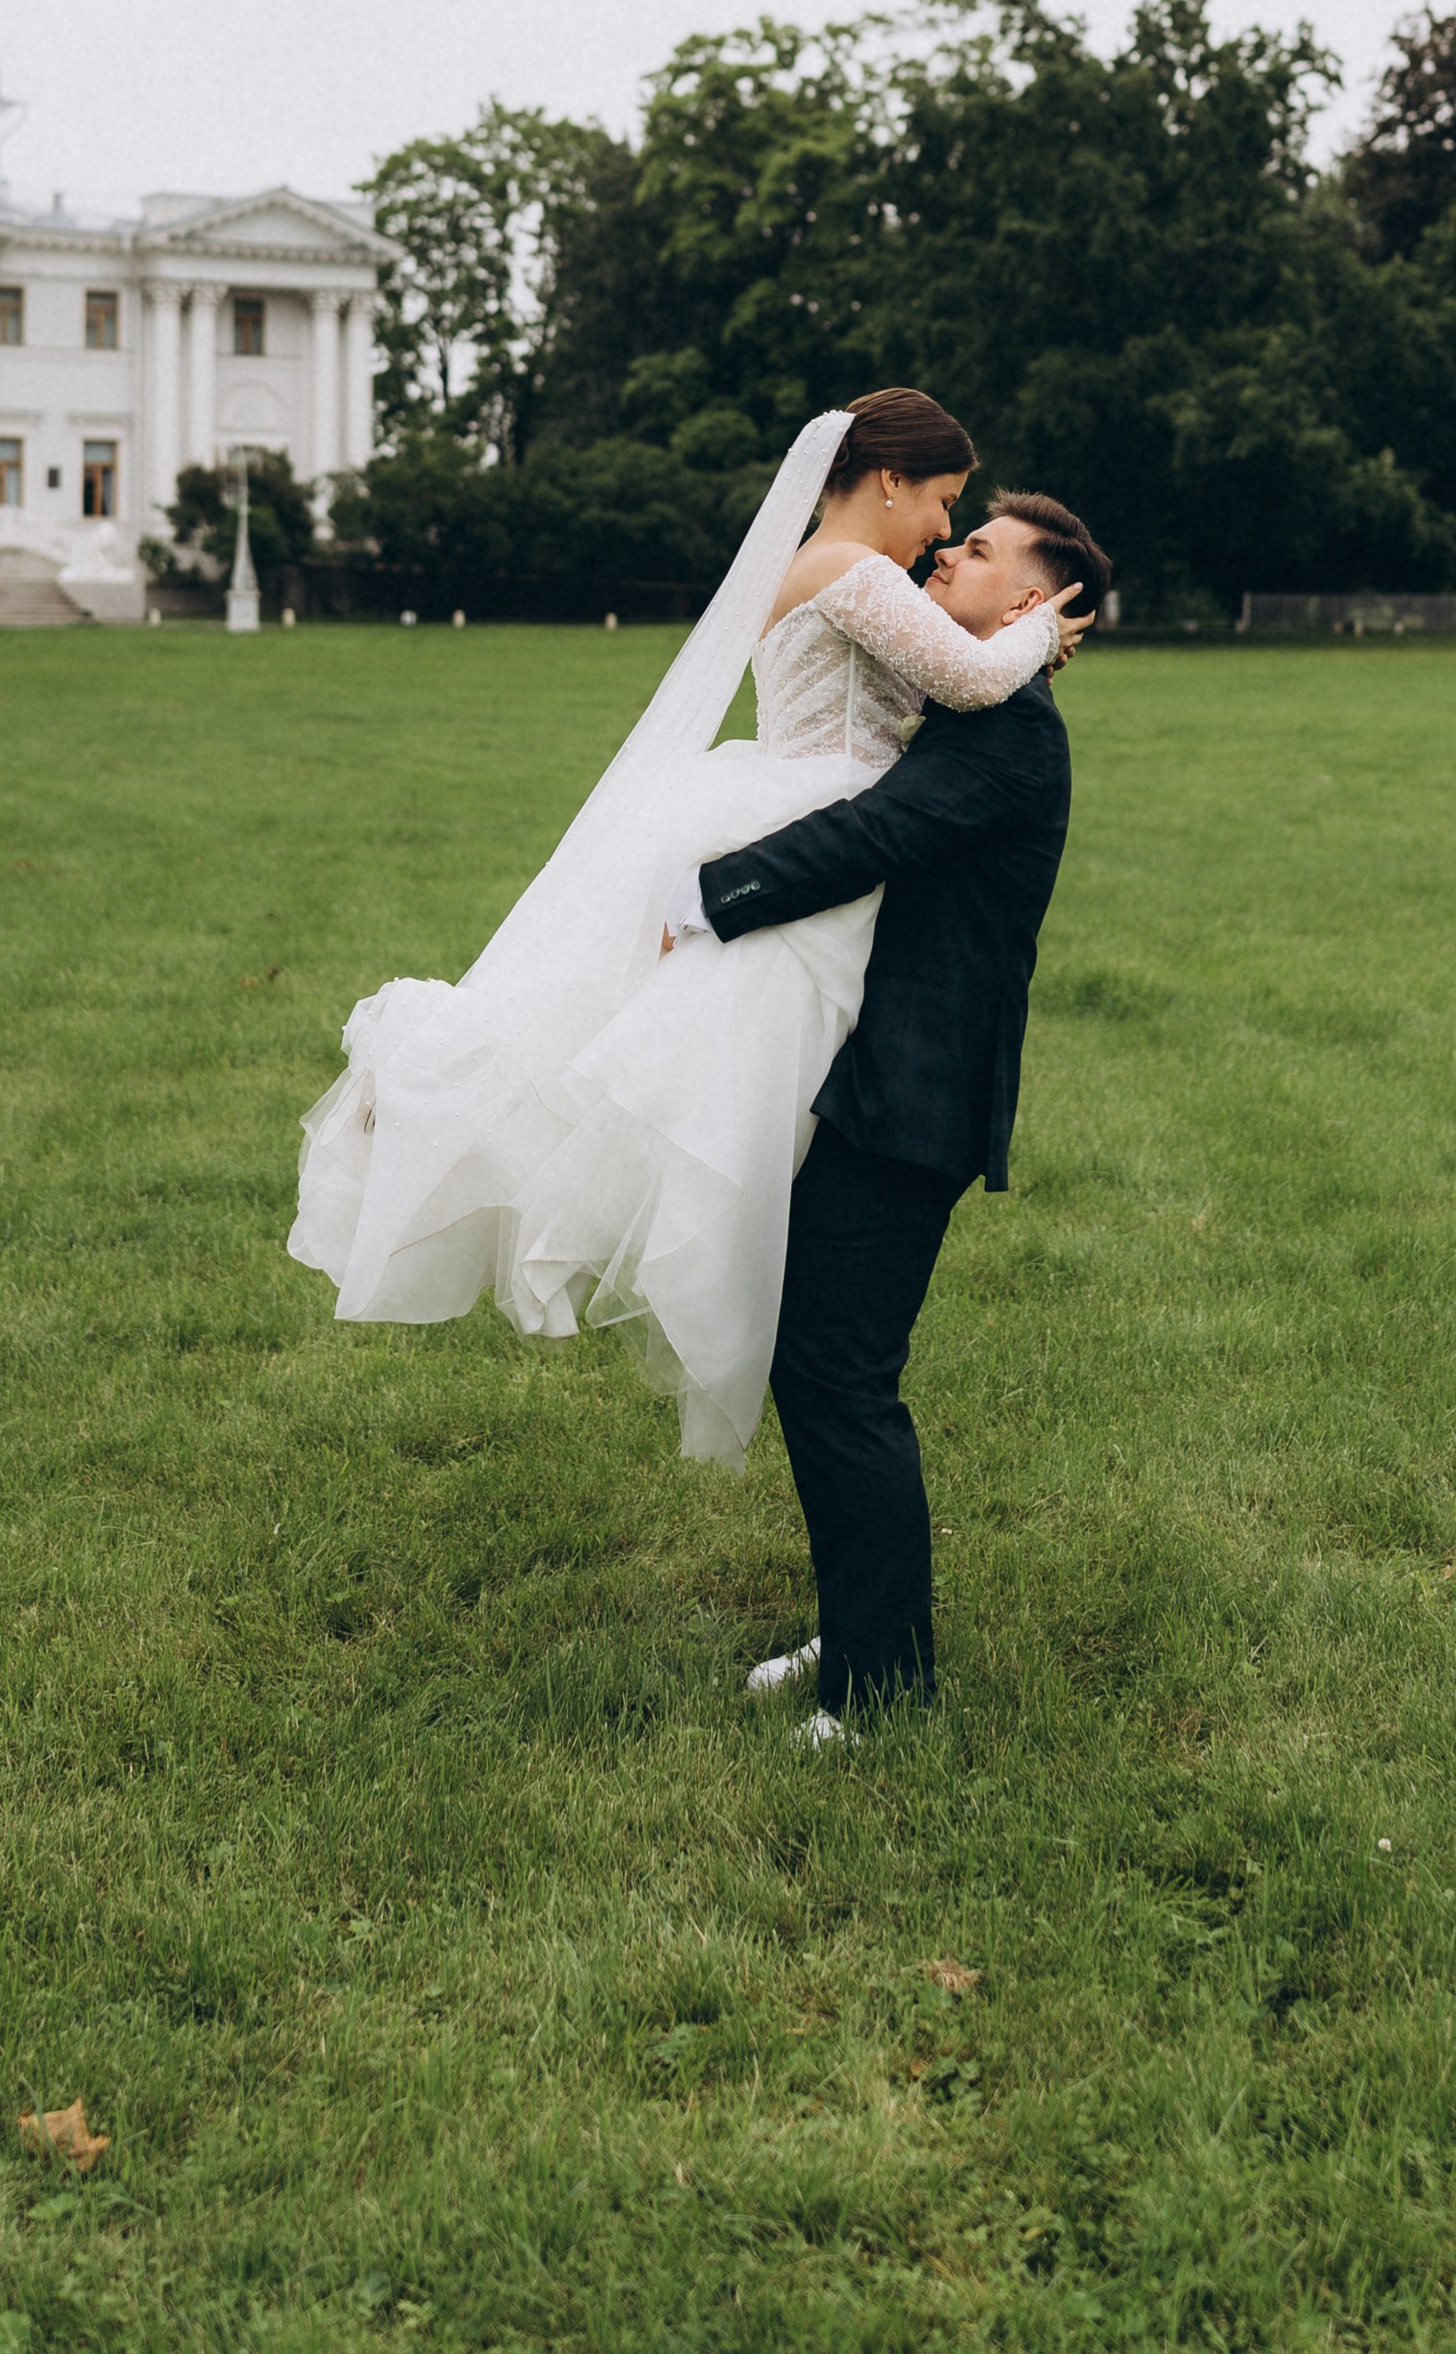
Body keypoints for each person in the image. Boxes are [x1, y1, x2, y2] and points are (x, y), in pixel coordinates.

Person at [289, 393, 1096, 1468]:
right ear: (892, 480)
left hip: (808, 819)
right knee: (682, 1076)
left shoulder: (840, 570)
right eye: (944, 503)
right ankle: (444, 1084)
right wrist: (1041, 625)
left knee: (673, 1063)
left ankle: (482, 1100)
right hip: (805, 822)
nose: (942, 535)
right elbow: (968, 674)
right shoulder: (852, 571)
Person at [674, 486, 1107, 1739]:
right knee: (822, 1365)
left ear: (1024, 603)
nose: (945, 551)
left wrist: (705, 898)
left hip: (914, 1092)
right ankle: (865, 1629)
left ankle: (881, 1688)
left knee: (840, 1374)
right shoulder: (975, 702)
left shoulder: (1009, 736)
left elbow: (869, 833)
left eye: (975, 551)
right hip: (872, 1074)